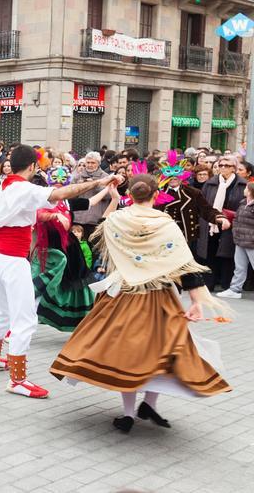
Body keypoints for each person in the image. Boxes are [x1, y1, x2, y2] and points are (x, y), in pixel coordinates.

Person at [51, 174, 231, 433]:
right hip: (159, 296)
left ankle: (129, 413)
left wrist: (113, 200)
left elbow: (98, 232)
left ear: (131, 195)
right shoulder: (164, 223)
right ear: (157, 195)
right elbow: (182, 262)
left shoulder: (117, 220)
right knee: (166, 351)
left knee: (128, 354)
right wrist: (196, 299)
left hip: (123, 296)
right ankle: (148, 402)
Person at [0, 145, 121, 399]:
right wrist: (101, 180)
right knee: (24, 319)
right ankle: (17, 380)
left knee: (3, 309)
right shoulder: (23, 188)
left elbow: (72, 199)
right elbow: (63, 193)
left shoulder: (5, 185)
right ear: (33, 167)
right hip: (12, 258)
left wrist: (102, 188)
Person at [31, 166, 118, 333]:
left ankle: (82, 325)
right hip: (50, 252)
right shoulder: (41, 202)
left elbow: (91, 202)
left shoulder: (66, 202)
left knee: (77, 287)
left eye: (61, 185)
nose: (58, 188)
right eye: (54, 184)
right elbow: (38, 215)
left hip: (70, 250)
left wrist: (108, 188)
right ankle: (17, 326)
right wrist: (54, 215)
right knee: (40, 287)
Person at [196, 155, 247, 291]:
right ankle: (209, 284)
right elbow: (203, 203)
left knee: (227, 255)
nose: (223, 168)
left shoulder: (242, 184)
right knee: (210, 253)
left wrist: (230, 215)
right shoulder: (211, 183)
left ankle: (226, 284)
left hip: (232, 224)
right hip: (211, 223)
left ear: (234, 168)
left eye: (227, 165)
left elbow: (244, 204)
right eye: (221, 165)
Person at [217, 181, 254, 299]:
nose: (244, 189)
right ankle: (235, 289)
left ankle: (235, 289)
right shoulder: (243, 203)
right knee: (239, 267)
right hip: (240, 240)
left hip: (251, 242)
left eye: (246, 188)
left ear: (250, 191)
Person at [69, 151, 110, 238]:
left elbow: (109, 195)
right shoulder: (77, 177)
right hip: (78, 219)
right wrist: (79, 186)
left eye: (93, 163)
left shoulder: (106, 177)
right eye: (88, 162)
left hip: (95, 220)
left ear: (98, 164)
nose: (90, 165)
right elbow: (70, 195)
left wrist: (95, 185)